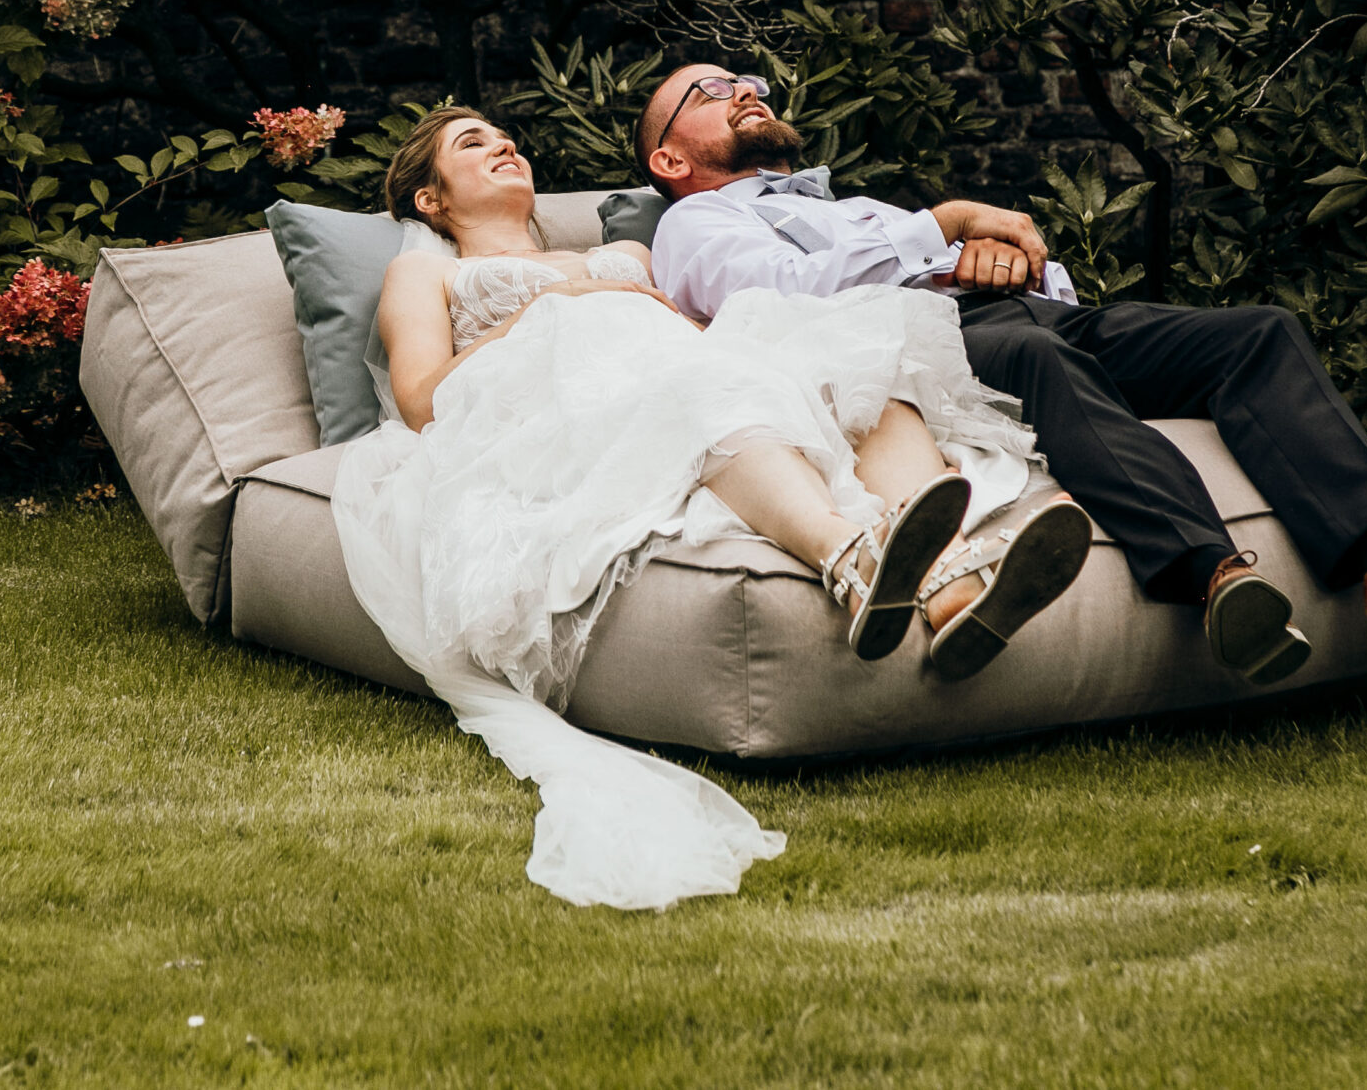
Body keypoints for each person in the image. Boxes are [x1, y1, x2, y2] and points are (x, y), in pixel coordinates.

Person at [330, 107, 1091, 910]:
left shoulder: (625, 254)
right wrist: (555, 308)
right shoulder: (427, 274)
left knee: (857, 363)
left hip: (669, 365)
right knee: (698, 391)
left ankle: (948, 582)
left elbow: (685, 329)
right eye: (473, 143)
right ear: (431, 200)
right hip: (559, 406)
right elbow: (423, 400)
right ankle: (852, 554)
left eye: (504, 136)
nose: (504, 145)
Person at [636, 64, 1367, 684]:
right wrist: (948, 225)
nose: (746, 89)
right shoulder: (694, 224)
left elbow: (1033, 277)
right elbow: (780, 297)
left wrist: (1015, 261)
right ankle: (1214, 575)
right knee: (1043, 359)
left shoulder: (857, 207)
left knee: (1255, 333)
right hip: (929, 347)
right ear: (669, 155)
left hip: (1033, 311)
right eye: (713, 90)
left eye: (750, 80)